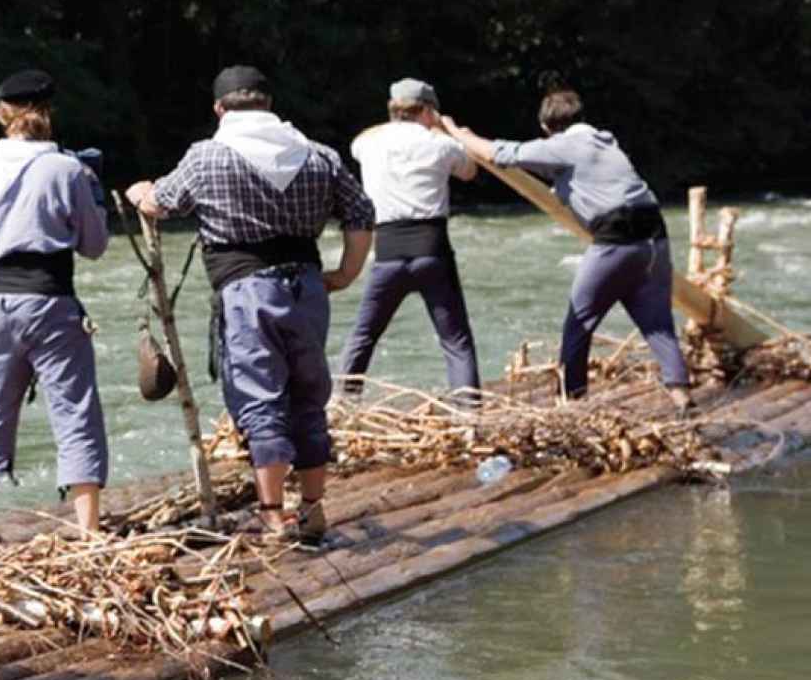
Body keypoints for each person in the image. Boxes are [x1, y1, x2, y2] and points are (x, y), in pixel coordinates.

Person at [123, 65, 375, 549]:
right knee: (308, 396)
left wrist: (139, 192)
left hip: (245, 292)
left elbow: (163, 202)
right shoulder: (318, 155)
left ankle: (273, 516)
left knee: (262, 402)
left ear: (220, 109)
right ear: (268, 102)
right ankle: (313, 509)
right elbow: (361, 212)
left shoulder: (208, 157)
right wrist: (345, 274)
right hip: (306, 287)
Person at [443, 87, 692, 410]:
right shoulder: (604, 141)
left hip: (616, 240)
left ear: (548, 128)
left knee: (579, 323)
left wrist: (456, 132)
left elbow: (499, 154)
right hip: (654, 239)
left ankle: (572, 404)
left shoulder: (565, 145)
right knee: (658, 324)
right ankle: (682, 398)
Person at [0, 69, 110, 541]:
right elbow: (94, 245)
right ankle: (89, 532)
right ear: (46, 112)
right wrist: (95, 194)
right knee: (75, 408)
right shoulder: (66, 169)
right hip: (49, 298)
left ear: (4, 115)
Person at [337, 78, 481, 397]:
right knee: (455, 341)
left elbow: (358, 142)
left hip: (387, 252)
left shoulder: (369, 144)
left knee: (364, 335)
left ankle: (342, 405)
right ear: (428, 111)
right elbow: (470, 171)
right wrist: (443, 130)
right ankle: (469, 415)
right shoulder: (442, 145)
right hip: (432, 250)